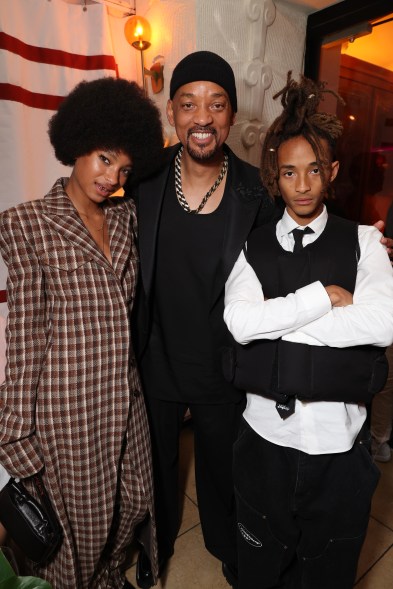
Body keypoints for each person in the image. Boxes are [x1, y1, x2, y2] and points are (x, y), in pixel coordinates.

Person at [223, 72, 393, 589]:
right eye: (290, 172)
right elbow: (239, 322)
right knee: (260, 562)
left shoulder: (363, 241)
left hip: (338, 448)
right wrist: (321, 298)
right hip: (264, 442)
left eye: (314, 171)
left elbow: (381, 323)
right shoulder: (255, 245)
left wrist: (281, 322)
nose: (302, 185)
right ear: (276, 173)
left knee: (327, 568)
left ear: (331, 172)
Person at [0, 77, 164, 589]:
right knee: (79, 534)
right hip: (69, 409)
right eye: (103, 158)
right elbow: (25, 335)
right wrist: (15, 432)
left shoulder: (124, 218)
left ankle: (110, 576)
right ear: (77, 145)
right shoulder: (28, 224)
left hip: (124, 396)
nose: (112, 177)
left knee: (135, 502)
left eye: (124, 168)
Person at [128, 50, 276, 589]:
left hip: (223, 362)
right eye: (189, 104)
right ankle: (154, 546)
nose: (203, 117)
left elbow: (289, 257)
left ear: (233, 117)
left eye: (217, 104)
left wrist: (356, 247)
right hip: (157, 354)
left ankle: (228, 546)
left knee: (224, 470)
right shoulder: (143, 179)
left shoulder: (254, 193)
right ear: (172, 111)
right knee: (157, 470)